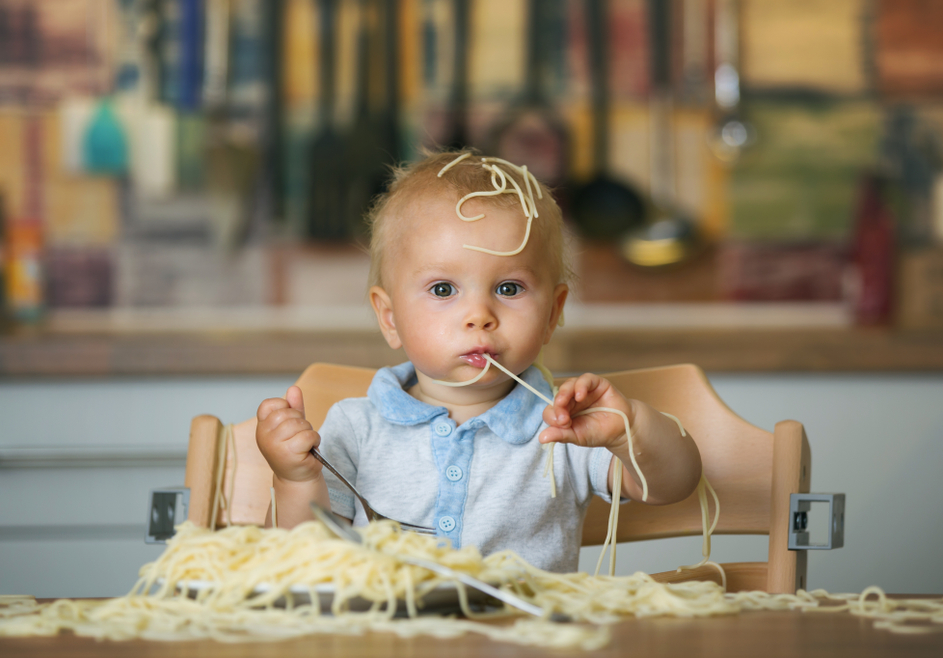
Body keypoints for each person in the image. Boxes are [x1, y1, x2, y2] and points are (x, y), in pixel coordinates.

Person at [255, 150, 702, 572]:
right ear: (389, 318)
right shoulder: (355, 428)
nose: (479, 316)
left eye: (508, 289)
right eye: (443, 290)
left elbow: (670, 484)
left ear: (552, 314)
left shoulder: (564, 427)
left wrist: (630, 430)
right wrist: (295, 479)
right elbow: (306, 555)